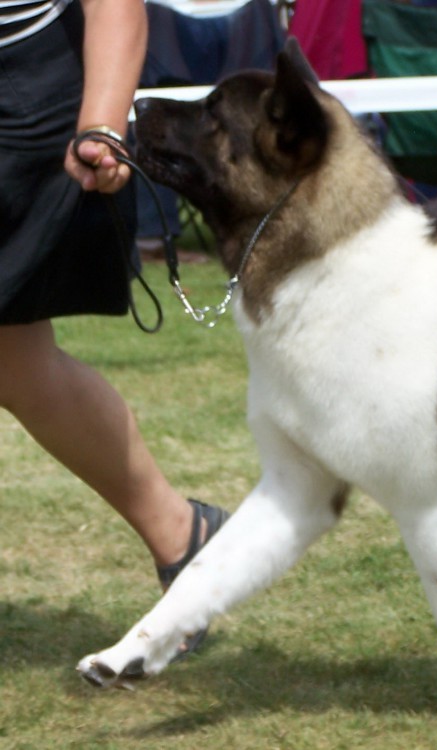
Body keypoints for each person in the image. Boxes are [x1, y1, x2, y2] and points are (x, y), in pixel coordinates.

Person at [0, 0, 227, 653]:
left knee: (15, 359)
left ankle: (182, 534)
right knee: (15, 362)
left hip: (27, 91)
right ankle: (183, 534)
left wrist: (102, 123)